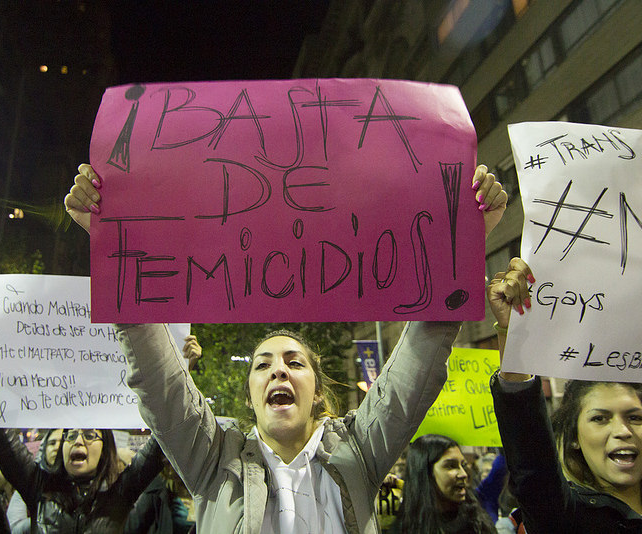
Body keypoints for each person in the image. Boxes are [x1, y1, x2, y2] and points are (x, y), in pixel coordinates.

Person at [64, 163, 507, 533]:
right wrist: (111, 241)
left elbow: (414, 372)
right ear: (250, 394)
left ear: (317, 391)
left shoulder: (361, 450)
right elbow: (159, 382)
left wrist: (464, 242)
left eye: (294, 362)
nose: (279, 371)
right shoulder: (213, 458)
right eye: (263, 365)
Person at [487, 257, 642, 533]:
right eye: (600, 418)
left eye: (634, 417)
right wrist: (513, 331)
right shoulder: (566, 518)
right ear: (574, 439)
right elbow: (533, 467)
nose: (622, 430)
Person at [0, 330, 167, 533]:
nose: (78, 440)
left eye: (89, 435)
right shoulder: (38, 488)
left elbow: (162, 444)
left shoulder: (120, 493)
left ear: (105, 449)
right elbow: (1, 441)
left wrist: (175, 378)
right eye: (70, 435)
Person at [390, 434, 496, 534]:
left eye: (463, 465)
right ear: (425, 472)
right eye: (451, 466)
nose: (463, 474)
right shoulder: (403, 528)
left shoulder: (478, 524)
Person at [4, 428, 63, 532]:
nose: (56, 448)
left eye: (63, 442)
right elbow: (14, 527)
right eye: (52, 443)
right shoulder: (34, 483)